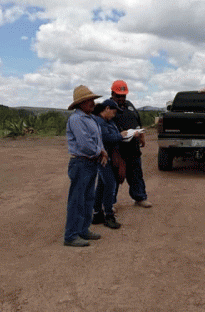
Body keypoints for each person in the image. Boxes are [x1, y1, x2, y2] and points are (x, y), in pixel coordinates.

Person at [64, 85, 107, 247]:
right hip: (81, 163)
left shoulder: (90, 118)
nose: (92, 103)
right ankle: (71, 235)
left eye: (92, 100)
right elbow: (85, 145)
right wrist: (101, 152)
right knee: (77, 200)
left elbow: (96, 140)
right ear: (79, 104)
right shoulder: (76, 119)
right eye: (87, 100)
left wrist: (101, 150)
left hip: (89, 163)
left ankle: (83, 230)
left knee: (88, 198)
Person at [92, 99, 139, 229]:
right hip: (103, 158)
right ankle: (108, 215)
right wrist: (120, 135)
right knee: (110, 184)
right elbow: (106, 138)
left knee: (102, 185)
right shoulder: (99, 122)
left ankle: (97, 213)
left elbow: (112, 135)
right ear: (107, 109)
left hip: (110, 156)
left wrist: (124, 135)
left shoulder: (108, 121)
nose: (115, 114)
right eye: (113, 111)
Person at [109, 80, 152, 208]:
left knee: (136, 174)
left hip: (133, 147)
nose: (122, 98)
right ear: (112, 93)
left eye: (124, 95)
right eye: (119, 95)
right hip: (117, 150)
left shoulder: (129, 105)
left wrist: (142, 136)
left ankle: (140, 197)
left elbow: (137, 121)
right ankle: (109, 204)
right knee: (115, 177)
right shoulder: (108, 107)